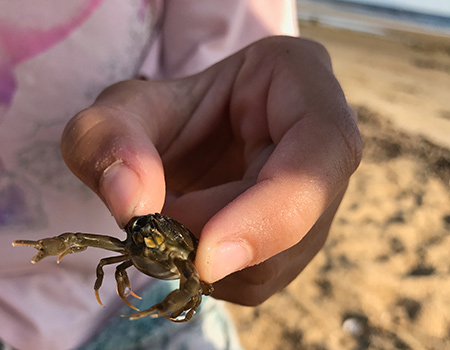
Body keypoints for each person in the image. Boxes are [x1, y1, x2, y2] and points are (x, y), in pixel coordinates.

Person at [0, 1, 362, 349]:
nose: (148, 235)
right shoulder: (129, 246)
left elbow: (237, 73)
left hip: (138, 296)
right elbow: (100, 254)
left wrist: (260, 71)